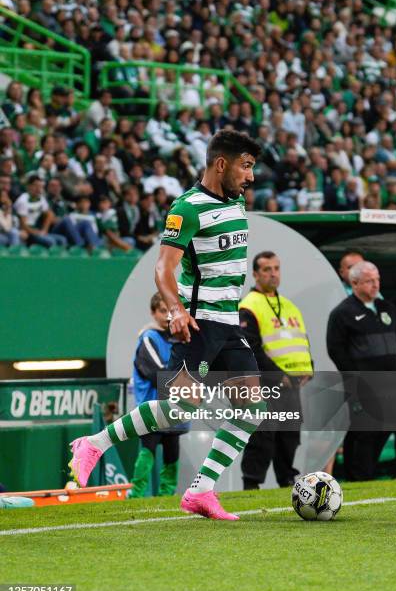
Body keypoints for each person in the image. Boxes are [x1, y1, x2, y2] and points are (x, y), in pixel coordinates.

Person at [69, 129, 269, 521]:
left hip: (229, 323)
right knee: (178, 411)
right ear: (221, 164)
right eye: (246, 166)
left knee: (252, 406)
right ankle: (93, 443)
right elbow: (163, 268)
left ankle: (202, 490)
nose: (251, 176)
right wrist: (177, 310)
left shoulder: (237, 202)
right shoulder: (186, 208)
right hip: (198, 324)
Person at [327, 261, 396, 481]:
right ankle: (361, 479)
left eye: (377, 279)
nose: (375, 284)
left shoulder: (387, 309)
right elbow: (336, 350)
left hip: (394, 385)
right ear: (354, 283)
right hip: (365, 386)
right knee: (366, 433)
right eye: (369, 281)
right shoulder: (342, 313)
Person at [239, 251, 313, 488]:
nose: (273, 274)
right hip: (264, 384)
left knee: (290, 434)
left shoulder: (290, 306)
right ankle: (251, 484)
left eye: (276, 268)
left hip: (292, 385)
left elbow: (301, 340)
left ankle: (287, 480)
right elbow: (251, 348)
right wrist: (279, 375)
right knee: (263, 435)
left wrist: (309, 367)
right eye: (267, 269)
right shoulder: (248, 306)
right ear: (255, 274)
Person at [129, 292, 186, 498]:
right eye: (163, 311)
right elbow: (156, 374)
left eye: (171, 311)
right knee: (148, 450)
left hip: (174, 408)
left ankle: (167, 495)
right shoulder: (148, 338)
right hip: (152, 408)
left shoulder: (179, 337)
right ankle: (135, 494)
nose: (167, 316)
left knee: (172, 454)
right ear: (153, 313)